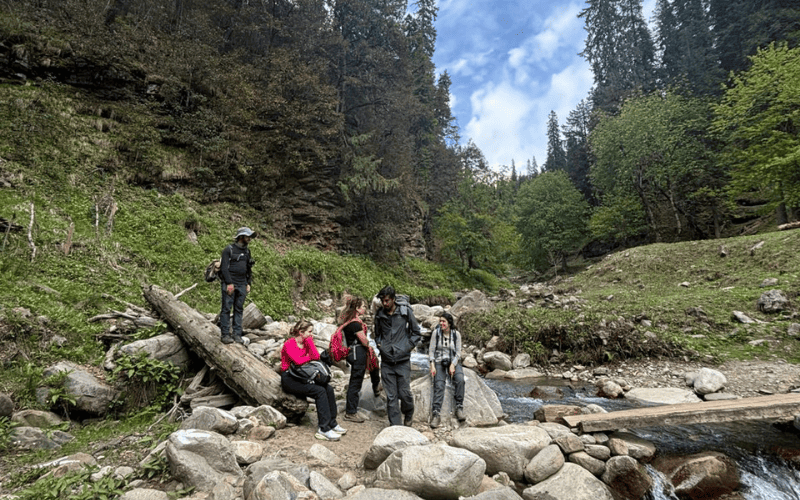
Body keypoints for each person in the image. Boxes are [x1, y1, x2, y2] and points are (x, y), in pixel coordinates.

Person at [280, 319, 347, 441]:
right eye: (309, 332)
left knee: (328, 388)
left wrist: (310, 343)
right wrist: (308, 357)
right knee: (319, 391)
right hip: (290, 378)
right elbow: (298, 361)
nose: (312, 334)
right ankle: (323, 429)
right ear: (301, 332)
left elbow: (316, 357)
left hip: (302, 375)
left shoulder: (306, 342)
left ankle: (332, 423)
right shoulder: (289, 344)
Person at [374, 285, 421, 426]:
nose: (384, 303)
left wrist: (407, 347)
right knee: (391, 397)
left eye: (387, 300)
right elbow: (377, 334)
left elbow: (416, 332)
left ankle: (408, 413)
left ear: (393, 299)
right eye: (382, 300)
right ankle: (395, 426)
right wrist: (380, 346)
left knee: (405, 393)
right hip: (386, 361)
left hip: (403, 360)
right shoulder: (379, 315)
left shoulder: (405, 312)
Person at [338, 296, 382, 423]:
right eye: (363, 306)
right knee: (355, 383)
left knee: (373, 365)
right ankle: (350, 413)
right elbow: (364, 341)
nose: (365, 308)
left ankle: (376, 387)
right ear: (357, 308)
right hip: (358, 355)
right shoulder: (355, 324)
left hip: (354, 354)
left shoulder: (348, 321)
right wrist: (369, 345)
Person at [428, 312, 466, 428]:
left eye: (443, 321)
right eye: (440, 321)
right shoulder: (436, 333)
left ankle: (459, 408)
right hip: (439, 361)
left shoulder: (456, 334)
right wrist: (432, 364)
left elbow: (458, 353)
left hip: (453, 360)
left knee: (460, 380)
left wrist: (453, 364)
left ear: (449, 323)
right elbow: (431, 351)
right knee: (439, 384)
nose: (441, 323)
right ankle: (436, 414)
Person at [219, 227, 256, 344]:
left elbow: (248, 268)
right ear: (241, 237)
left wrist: (248, 283)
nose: (249, 239)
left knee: (239, 309)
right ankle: (225, 335)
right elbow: (224, 268)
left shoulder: (247, 251)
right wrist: (229, 283)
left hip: (242, 284)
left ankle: (237, 335)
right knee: (226, 309)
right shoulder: (228, 250)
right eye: (247, 236)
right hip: (230, 284)